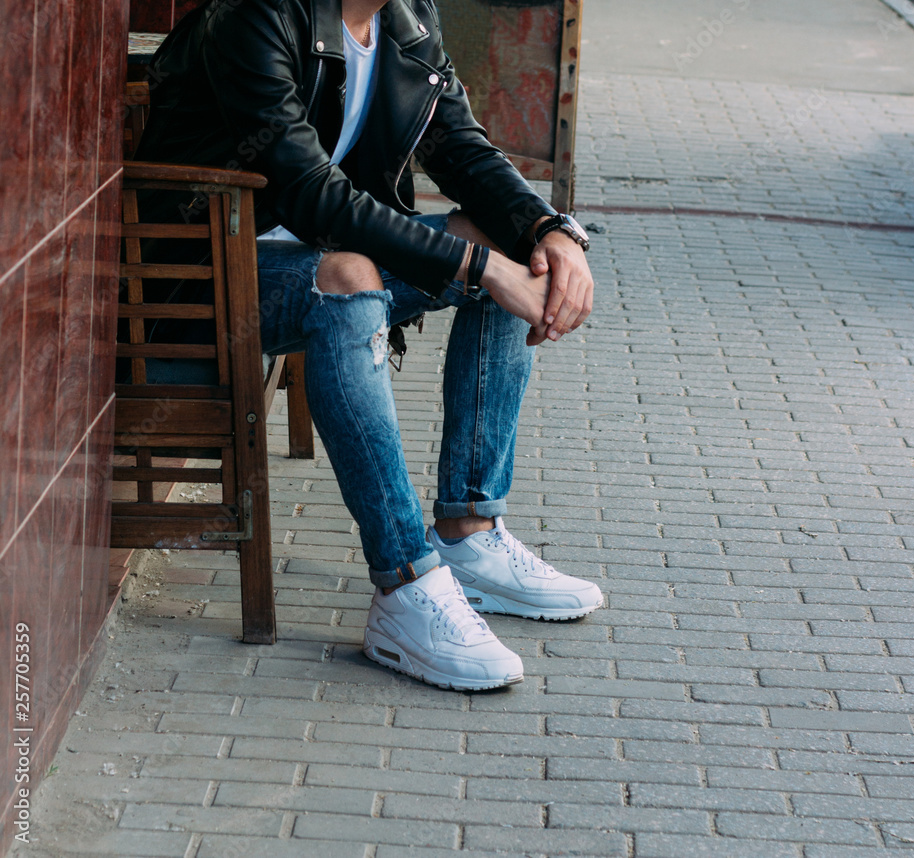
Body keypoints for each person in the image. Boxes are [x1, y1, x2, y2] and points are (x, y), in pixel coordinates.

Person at [136, 0, 602, 690]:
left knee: (509, 250)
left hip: (312, 257)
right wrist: (477, 268)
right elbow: (310, 193)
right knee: (355, 279)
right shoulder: (257, 16)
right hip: (202, 279)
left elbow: (461, 149)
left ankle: (469, 535)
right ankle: (405, 583)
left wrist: (547, 230)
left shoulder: (407, 20)